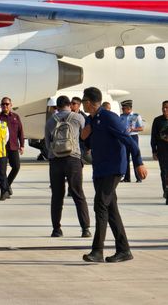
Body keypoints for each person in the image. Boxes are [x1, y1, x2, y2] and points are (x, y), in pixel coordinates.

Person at [81, 87, 147, 263]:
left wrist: (139, 162)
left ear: (89, 102)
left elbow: (129, 141)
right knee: (111, 210)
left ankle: (97, 251)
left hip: (114, 169)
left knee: (100, 204)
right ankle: (124, 250)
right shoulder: (91, 120)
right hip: (100, 170)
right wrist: (84, 136)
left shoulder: (110, 118)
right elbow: (88, 143)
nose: (82, 104)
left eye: (83, 101)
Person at [44, 96, 91, 238]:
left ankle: (56, 229)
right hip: (73, 159)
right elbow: (86, 136)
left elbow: (47, 143)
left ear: (57, 107)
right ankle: (85, 228)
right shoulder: (78, 118)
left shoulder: (51, 120)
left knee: (57, 196)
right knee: (78, 194)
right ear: (70, 105)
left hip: (56, 160)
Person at [0, 97, 25, 196]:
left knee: (16, 167)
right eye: (3, 104)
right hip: (2, 148)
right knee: (2, 170)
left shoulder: (15, 116)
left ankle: (6, 185)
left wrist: (22, 145)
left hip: (14, 146)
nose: (5, 106)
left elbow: (20, 132)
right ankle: (5, 190)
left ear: (11, 105)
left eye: (7, 104)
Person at [119, 100, 144, 183]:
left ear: (129, 108)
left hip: (133, 137)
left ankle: (139, 177)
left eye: (124, 108)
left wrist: (133, 129)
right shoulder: (121, 116)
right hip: (125, 137)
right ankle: (127, 177)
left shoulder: (136, 116)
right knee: (125, 158)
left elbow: (141, 128)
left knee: (135, 157)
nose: (122, 109)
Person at [150, 100, 168, 203]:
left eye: (166, 107)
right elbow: (153, 137)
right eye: (163, 107)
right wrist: (154, 150)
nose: (164, 109)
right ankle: (166, 191)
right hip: (162, 151)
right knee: (164, 172)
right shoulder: (157, 120)